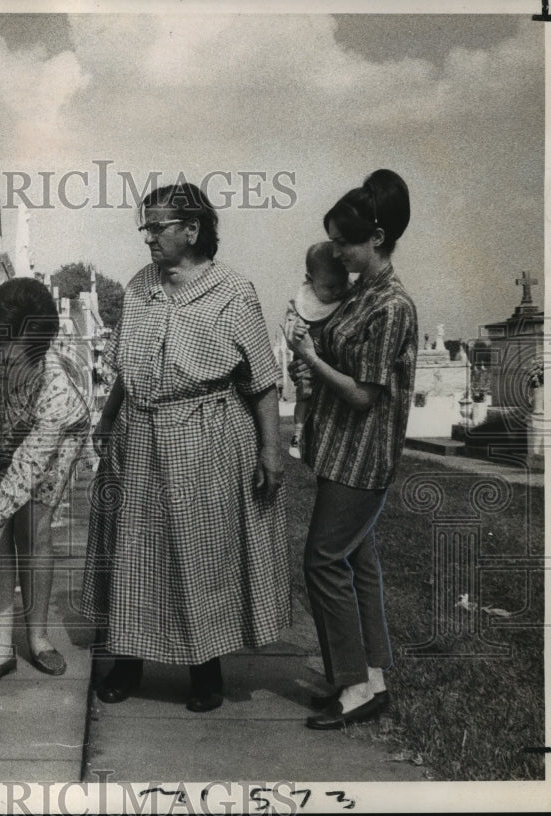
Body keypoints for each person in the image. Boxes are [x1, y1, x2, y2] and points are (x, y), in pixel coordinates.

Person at [80, 182, 289, 713]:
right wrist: (107, 420)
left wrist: (272, 451)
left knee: (201, 551)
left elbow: (262, 381)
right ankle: (126, 663)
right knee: (133, 552)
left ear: (191, 231)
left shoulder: (233, 291)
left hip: (207, 437)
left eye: (157, 227)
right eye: (145, 227)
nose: (147, 237)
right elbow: (127, 367)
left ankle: (205, 670)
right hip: (139, 433)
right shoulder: (139, 286)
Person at [285, 168, 417, 730]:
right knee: (356, 561)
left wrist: (313, 360)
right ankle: (372, 678)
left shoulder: (391, 306)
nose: (335, 252)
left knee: (322, 561)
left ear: (377, 239)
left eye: (343, 241)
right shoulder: (363, 294)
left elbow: (364, 394)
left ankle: (353, 684)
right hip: (341, 451)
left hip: (363, 455)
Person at [0, 278, 90, 688]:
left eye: (9, 355)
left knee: (34, 530)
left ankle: (38, 637)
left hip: (52, 445)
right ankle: (1, 648)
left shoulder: (56, 389)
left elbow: (26, 470)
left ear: (37, 352)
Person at [285, 243, 350, 458]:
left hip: (332, 364)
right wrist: (296, 331)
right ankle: (297, 433)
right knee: (304, 395)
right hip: (306, 361)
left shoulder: (347, 298)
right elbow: (289, 337)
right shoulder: (299, 304)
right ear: (310, 279)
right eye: (330, 287)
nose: (337, 292)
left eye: (341, 285)